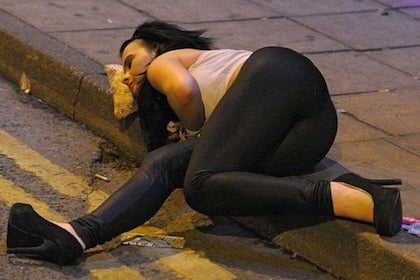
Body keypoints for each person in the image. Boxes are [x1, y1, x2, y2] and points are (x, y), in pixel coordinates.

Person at [6, 21, 402, 265]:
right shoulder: (221, 98)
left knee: (199, 182)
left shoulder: (166, 62)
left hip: (279, 75)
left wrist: (192, 126)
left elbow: (182, 89)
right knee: (167, 163)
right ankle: (76, 234)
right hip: (300, 136)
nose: (127, 77)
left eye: (131, 61)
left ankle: (345, 199)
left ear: (156, 45)